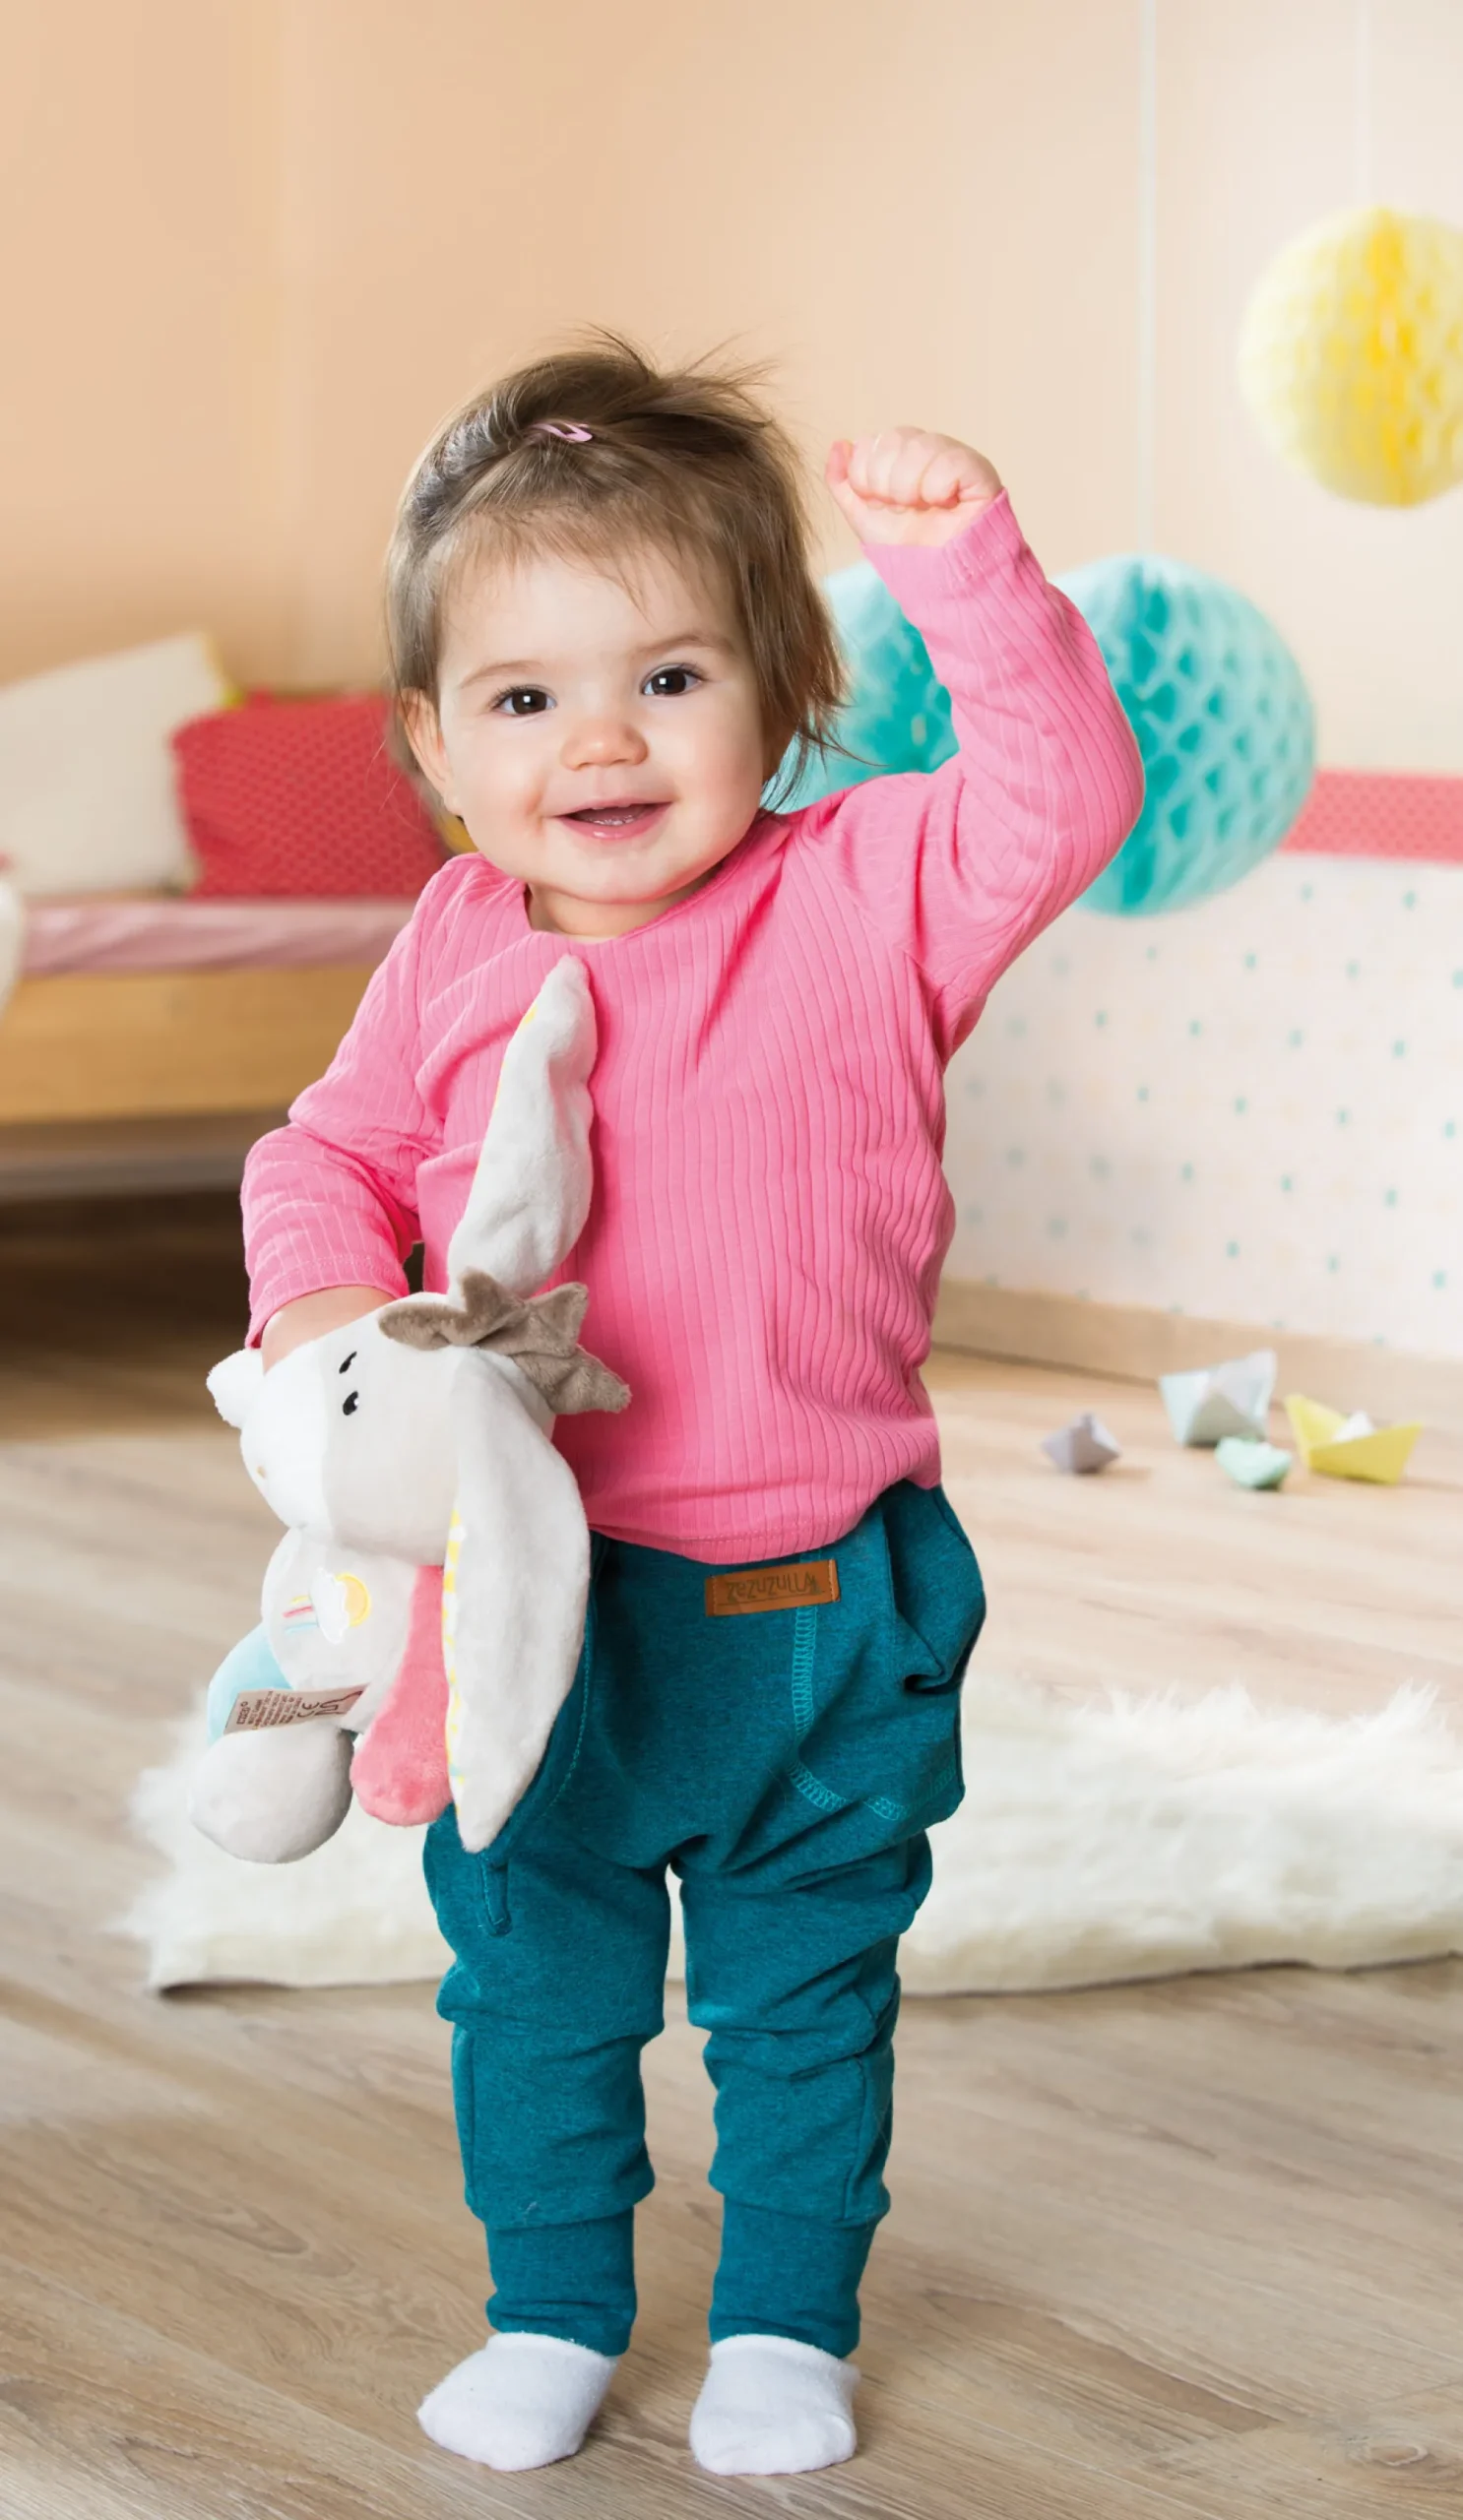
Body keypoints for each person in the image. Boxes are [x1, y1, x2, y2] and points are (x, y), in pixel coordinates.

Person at [242, 335, 1143, 2479]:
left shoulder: (865, 894)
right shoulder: (450, 943)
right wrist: (328, 1321)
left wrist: (968, 576)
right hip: (521, 1608)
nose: (601, 741)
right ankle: (553, 2301)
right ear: (433, 741)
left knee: (802, 1996)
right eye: (523, 698)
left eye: (668, 676)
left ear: (784, 684)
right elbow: (322, 1152)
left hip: (807, 1605)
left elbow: (1064, 799)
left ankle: (783, 2320)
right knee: (532, 1990)